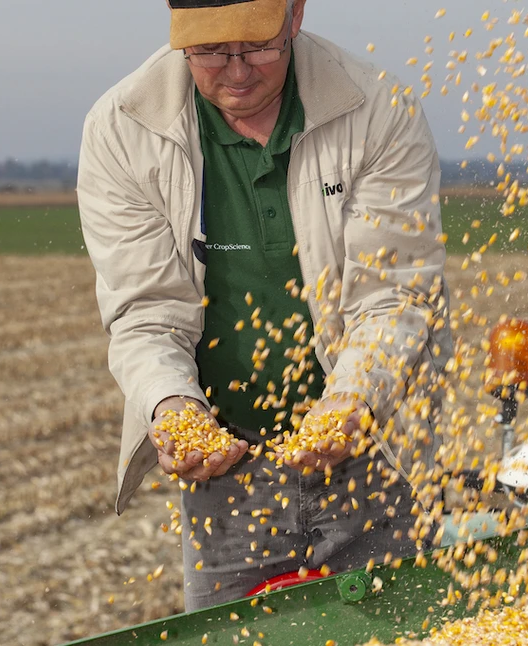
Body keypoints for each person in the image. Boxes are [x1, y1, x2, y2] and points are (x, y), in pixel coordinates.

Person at [77, 0, 452, 611]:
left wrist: (352, 403)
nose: (236, 71)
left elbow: (393, 293)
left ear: (294, 16)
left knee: (396, 625)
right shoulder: (125, 128)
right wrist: (174, 408)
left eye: (256, 46)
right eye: (208, 51)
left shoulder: (374, 108)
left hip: (376, 455)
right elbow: (145, 312)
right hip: (226, 464)